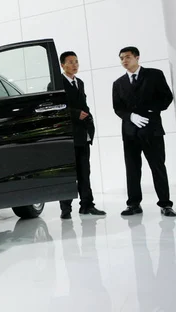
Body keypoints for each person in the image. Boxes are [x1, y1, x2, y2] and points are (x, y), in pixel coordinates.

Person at [113, 46, 176, 217]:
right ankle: (133, 204)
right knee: (132, 169)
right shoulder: (118, 83)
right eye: (121, 58)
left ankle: (166, 204)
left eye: (127, 57)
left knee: (158, 167)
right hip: (130, 133)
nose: (124, 61)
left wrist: (150, 110)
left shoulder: (154, 74)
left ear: (137, 57)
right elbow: (117, 108)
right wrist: (130, 116)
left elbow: (166, 97)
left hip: (152, 130)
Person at [58, 51, 106, 219]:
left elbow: (83, 104)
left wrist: (87, 116)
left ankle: (87, 205)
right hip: (68, 136)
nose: (75, 65)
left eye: (76, 61)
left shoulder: (80, 83)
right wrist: (75, 113)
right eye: (70, 62)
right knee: (68, 173)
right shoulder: (56, 83)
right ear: (62, 65)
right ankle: (65, 209)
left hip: (83, 134)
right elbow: (56, 108)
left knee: (85, 172)